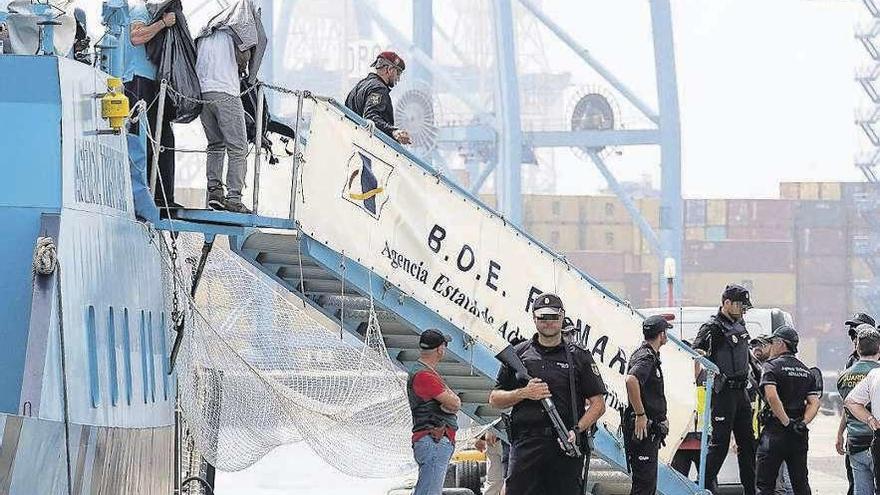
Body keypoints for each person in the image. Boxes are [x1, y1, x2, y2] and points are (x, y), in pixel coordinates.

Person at [489, 293, 606, 495]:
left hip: (564, 444)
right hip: (526, 443)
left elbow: (598, 404)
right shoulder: (519, 353)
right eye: (543, 317)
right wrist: (524, 393)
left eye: (553, 316)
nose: (548, 322)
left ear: (562, 317)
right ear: (534, 318)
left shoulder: (578, 356)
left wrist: (577, 430)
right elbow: (494, 399)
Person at [195, 0, 266, 214]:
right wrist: (251, 78)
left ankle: (214, 193)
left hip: (202, 92)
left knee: (215, 144)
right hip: (226, 91)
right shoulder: (241, 24)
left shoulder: (206, 29)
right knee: (238, 147)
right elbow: (261, 41)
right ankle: (234, 198)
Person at [692, 284, 756, 494]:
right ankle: (702, 486)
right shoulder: (713, 327)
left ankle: (751, 490)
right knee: (719, 445)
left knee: (748, 445)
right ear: (726, 303)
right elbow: (695, 354)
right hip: (724, 392)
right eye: (739, 304)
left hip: (741, 393)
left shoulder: (740, 323)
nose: (742, 309)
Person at [124, 0, 179, 210]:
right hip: (138, 79)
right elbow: (136, 36)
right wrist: (163, 24)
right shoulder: (140, 9)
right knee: (143, 136)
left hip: (149, 81)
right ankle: (145, 192)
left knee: (161, 135)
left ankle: (160, 194)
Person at [755, 326, 821, 495]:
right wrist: (802, 423)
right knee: (800, 483)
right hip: (798, 433)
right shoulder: (806, 371)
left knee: (765, 485)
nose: (770, 346)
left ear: (780, 343)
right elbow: (814, 403)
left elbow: (771, 396)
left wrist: (785, 422)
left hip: (776, 431)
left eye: (772, 342)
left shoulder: (771, 367)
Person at [407, 328, 460, 495]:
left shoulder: (424, 372)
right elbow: (455, 403)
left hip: (431, 442)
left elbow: (452, 403)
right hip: (434, 442)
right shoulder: (425, 375)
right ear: (440, 349)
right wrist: (452, 400)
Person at [623, 315, 672, 495]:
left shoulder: (646, 354)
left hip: (649, 430)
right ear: (661, 334)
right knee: (644, 487)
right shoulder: (646, 357)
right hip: (644, 430)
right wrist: (641, 415)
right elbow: (631, 380)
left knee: (646, 485)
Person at [750, 335, 793, 495]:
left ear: (772, 346)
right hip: (756, 434)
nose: (757, 348)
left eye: (761, 344)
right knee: (761, 483)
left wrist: (787, 423)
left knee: (779, 484)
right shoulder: (750, 374)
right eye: (753, 346)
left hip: (776, 432)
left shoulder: (775, 370)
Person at [840, 326, 880, 495]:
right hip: (872, 439)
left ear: (857, 347)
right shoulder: (874, 373)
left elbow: (848, 404)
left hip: (856, 441)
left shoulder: (844, 375)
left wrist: (870, 419)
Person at [344, 51, 413, 144]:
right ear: (389, 70)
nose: (398, 79)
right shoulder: (379, 89)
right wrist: (393, 131)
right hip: (367, 146)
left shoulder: (361, 85)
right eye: (398, 73)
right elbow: (370, 117)